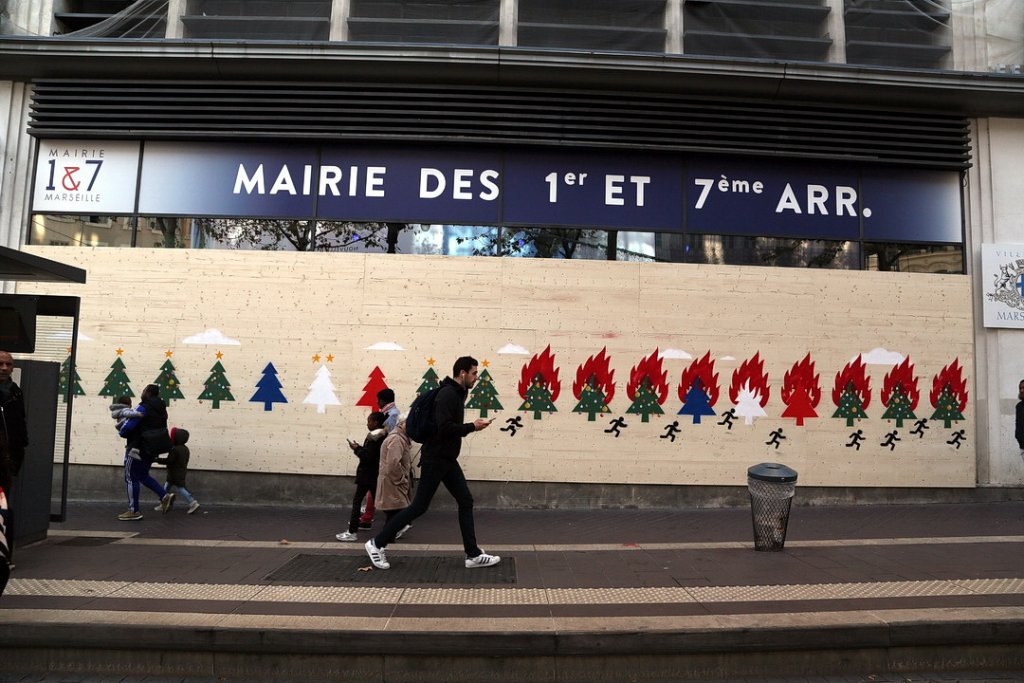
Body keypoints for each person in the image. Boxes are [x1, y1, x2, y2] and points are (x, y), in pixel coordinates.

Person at [365, 356, 499, 570]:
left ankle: (472, 554)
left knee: (465, 500)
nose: (476, 378)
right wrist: (472, 426)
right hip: (436, 458)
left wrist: (471, 427)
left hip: (446, 459)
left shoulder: (456, 393)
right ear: (462, 373)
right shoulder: (448, 395)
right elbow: (444, 428)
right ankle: (376, 543)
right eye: (474, 373)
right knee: (419, 506)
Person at [118, 384, 174, 521]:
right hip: (152, 448)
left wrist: (122, 430)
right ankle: (164, 496)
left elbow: (126, 428)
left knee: (130, 477)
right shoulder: (162, 410)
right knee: (143, 475)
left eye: (143, 390)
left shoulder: (143, 407)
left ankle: (133, 510)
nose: (142, 393)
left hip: (136, 447)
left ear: (148, 393)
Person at [336, 411, 386, 542]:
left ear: (375, 422)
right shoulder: (380, 436)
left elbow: (367, 457)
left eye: (369, 421)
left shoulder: (375, 438)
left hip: (367, 475)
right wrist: (360, 448)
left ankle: (352, 532)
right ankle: (397, 526)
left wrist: (356, 449)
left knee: (357, 501)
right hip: (374, 475)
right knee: (382, 503)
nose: (367, 423)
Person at [358, 388, 402, 529]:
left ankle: (402, 522)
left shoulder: (392, 415)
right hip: (382, 455)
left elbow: (387, 435)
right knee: (376, 487)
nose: (377, 402)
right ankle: (367, 518)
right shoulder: (389, 413)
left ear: (383, 400)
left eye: (378, 399)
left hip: (385, 456)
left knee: (379, 488)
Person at [0, 350, 28, 566]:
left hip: (7, 460)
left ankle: (5, 555)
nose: (4, 368)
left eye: (8, 364)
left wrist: (17, 454)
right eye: (1, 364)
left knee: (4, 508)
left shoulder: (15, 392)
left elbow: (20, 426)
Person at [375, 414, 413, 540]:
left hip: (392, 482)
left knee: (393, 514)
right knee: (396, 513)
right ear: (401, 424)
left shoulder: (399, 438)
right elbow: (393, 464)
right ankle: (379, 543)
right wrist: (401, 479)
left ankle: (384, 541)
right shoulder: (397, 439)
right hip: (393, 483)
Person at [154, 427, 200, 514]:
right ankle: (163, 503)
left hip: (174, 474)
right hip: (180, 472)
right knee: (166, 488)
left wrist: (157, 459)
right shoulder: (185, 449)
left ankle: (192, 503)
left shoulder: (175, 449)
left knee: (180, 489)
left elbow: (169, 461)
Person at [1016, 379, 1024, 451]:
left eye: (1023, 388)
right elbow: (1018, 424)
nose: (1021, 390)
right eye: (1020, 388)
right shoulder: (1019, 406)